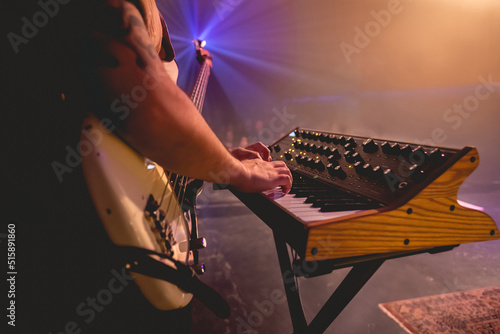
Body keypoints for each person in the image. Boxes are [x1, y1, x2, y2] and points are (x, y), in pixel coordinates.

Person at [0, 0, 291, 332]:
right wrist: (235, 170)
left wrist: (213, 158)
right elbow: (146, 106)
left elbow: (122, 123)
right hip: (84, 241)